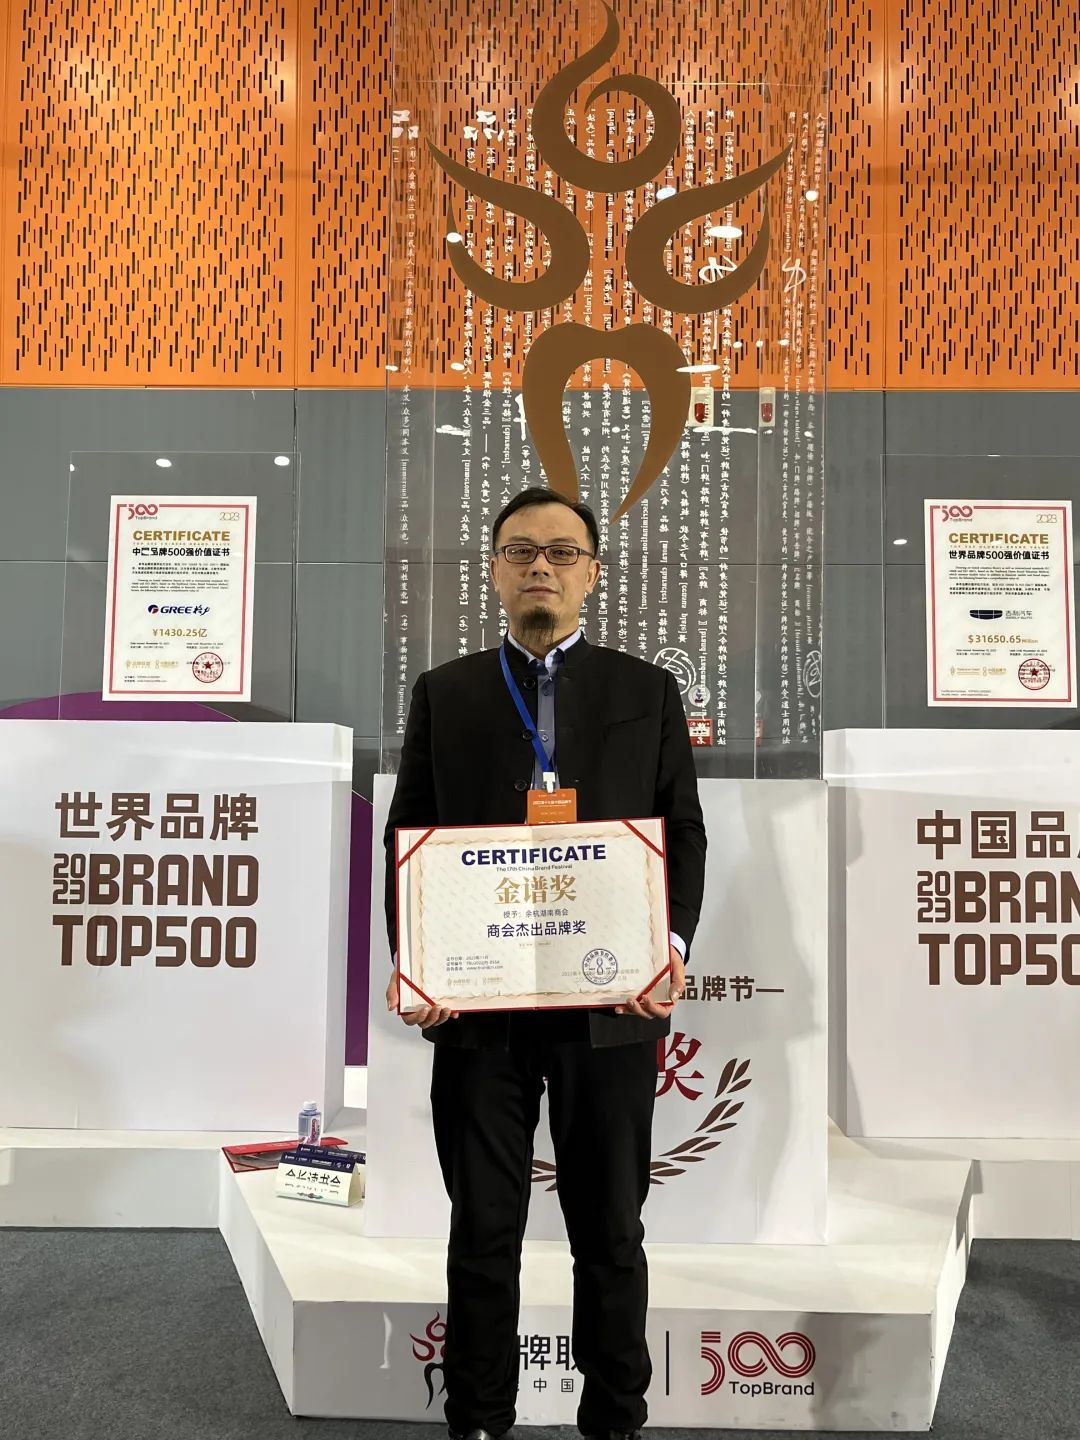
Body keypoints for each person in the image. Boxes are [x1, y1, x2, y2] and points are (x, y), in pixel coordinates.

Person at [384, 485, 706, 1440]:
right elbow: (410, 835)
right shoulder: (446, 692)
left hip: (611, 1004)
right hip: (477, 1009)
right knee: (484, 1232)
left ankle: (614, 1421)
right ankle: (480, 1421)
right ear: (493, 571)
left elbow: (682, 831)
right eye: (520, 550)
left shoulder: (645, 690)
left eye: (562, 553)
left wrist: (670, 947)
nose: (540, 567)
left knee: (610, 1233)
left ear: (592, 574)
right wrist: (418, 964)